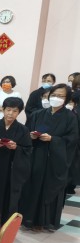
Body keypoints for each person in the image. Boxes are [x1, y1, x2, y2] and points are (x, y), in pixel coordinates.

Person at [20, 83, 79, 231]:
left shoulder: (70, 117)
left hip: (55, 160)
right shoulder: (38, 114)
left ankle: (46, 222)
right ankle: (28, 219)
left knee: (49, 188)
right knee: (32, 187)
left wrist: (53, 139)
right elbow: (26, 132)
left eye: (60, 96)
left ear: (66, 99)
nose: (56, 98)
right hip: (36, 157)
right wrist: (31, 136)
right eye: (54, 95)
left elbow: (72, 140)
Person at [0, 97, 32, 220]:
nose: (11, 113)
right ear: (3, 109)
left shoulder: (23, 130)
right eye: (8, 110)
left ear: (19, 112)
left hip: (10, 169)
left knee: (7, 196)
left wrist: (16, 147)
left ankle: (4, 222)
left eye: (15, 111)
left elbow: (28, 149)